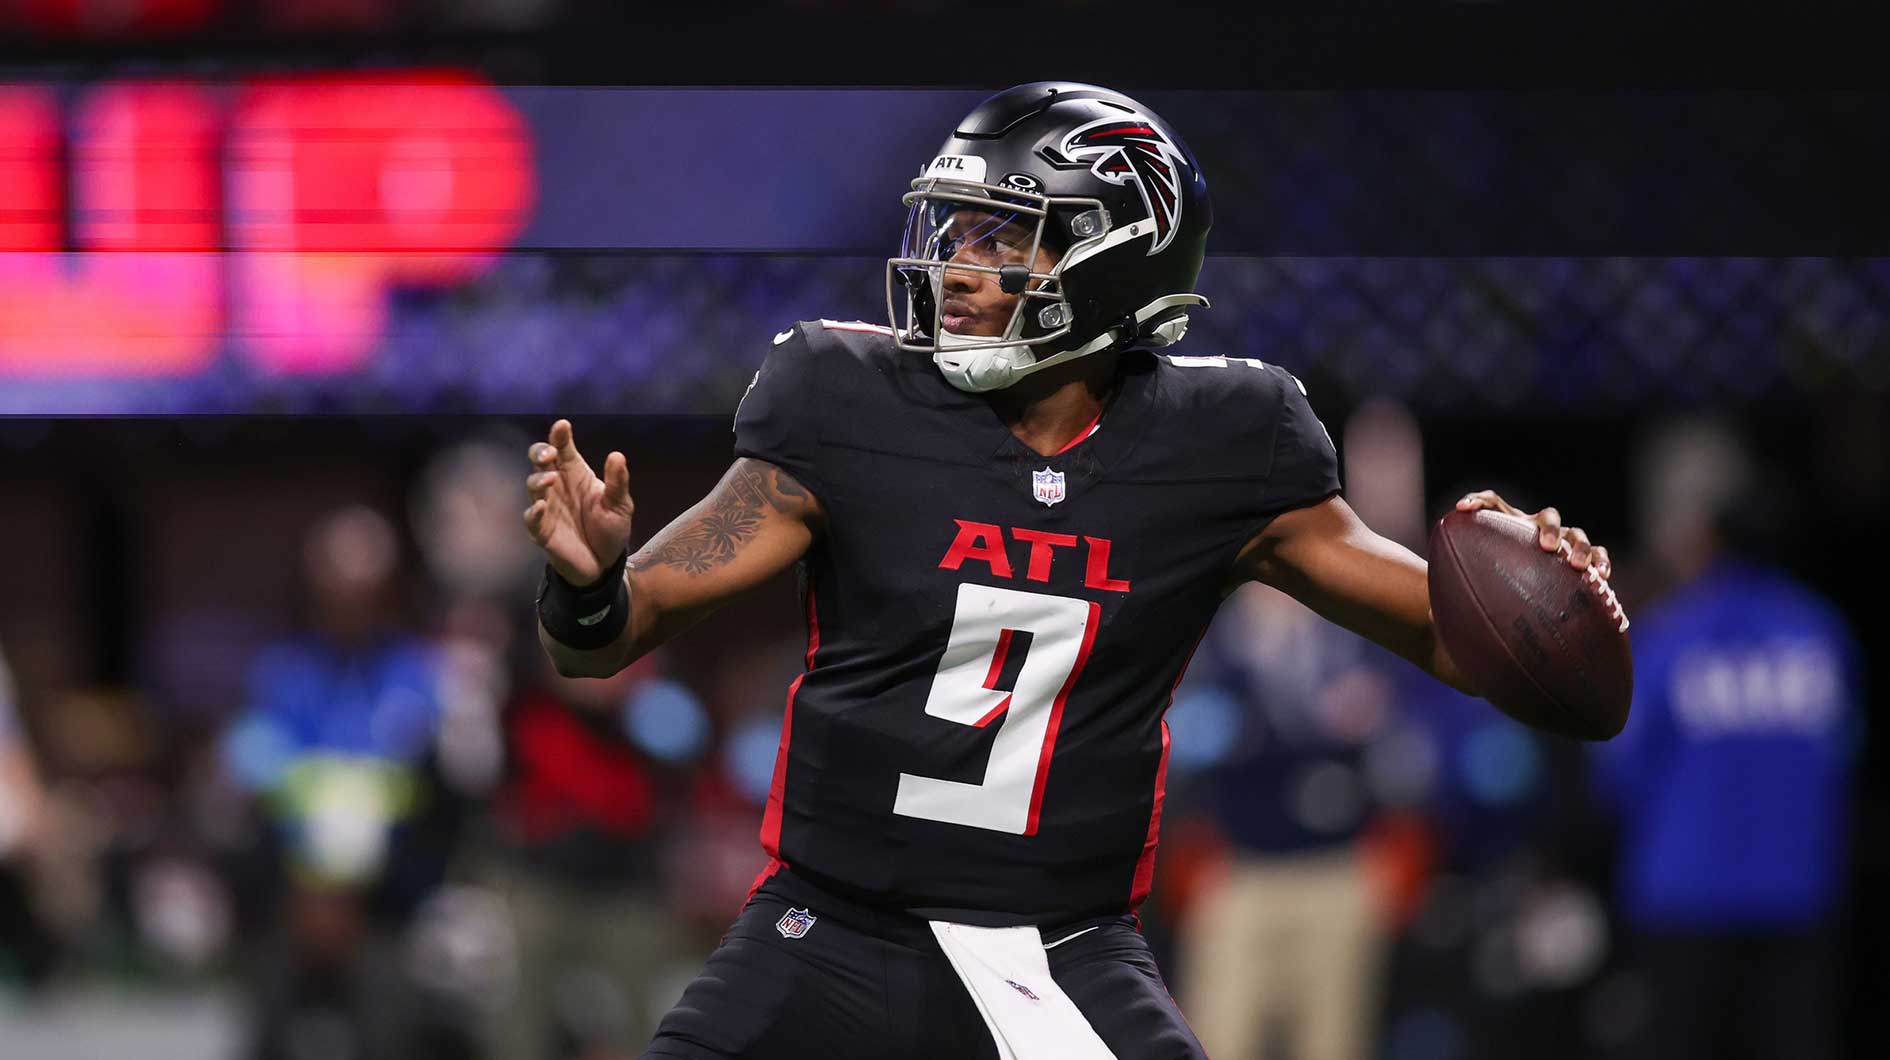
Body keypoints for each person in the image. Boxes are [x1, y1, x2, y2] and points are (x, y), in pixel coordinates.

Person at [522, 82, 1614, 1059]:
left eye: (1005, 237)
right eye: (952, 227)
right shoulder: (844, 400)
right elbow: (607, 636)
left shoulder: (1227, 443)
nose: (956, 264)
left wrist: (1545, 603)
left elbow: (1456, 640)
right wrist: (585, 580)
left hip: (1061, 947)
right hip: (827, 933)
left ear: (1111, 260)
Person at [1597, 418, 1860, 1060]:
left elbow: (1617, 772)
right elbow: (1845, 758)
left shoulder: (1669, 636)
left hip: (1685, 906)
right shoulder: (1820, 633)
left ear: (1704, 535)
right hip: (1797, 899)